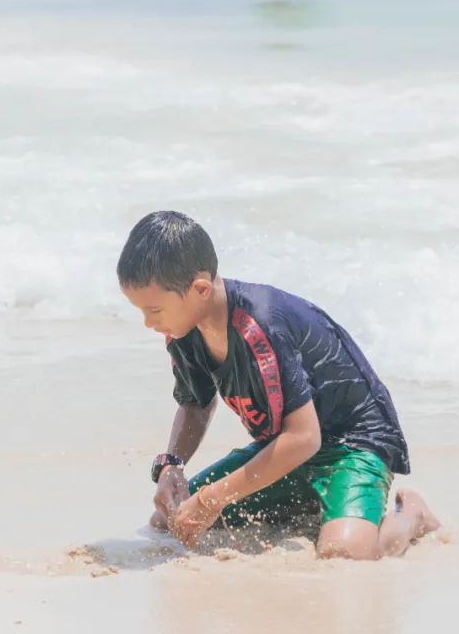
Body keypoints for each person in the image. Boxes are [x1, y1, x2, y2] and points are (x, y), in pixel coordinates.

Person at [118, 211, 440, 559]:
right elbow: (196, 403)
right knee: (168, 522)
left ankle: (410, 515)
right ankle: (317, 507)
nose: (148, 323)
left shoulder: (262, 327)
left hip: (353, 445)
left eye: (154, 310)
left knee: (343, 554)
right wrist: (171, 465)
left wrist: (213, 498)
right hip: (289, 449)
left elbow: (305, 437)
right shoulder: (182, 331)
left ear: (199, 290)